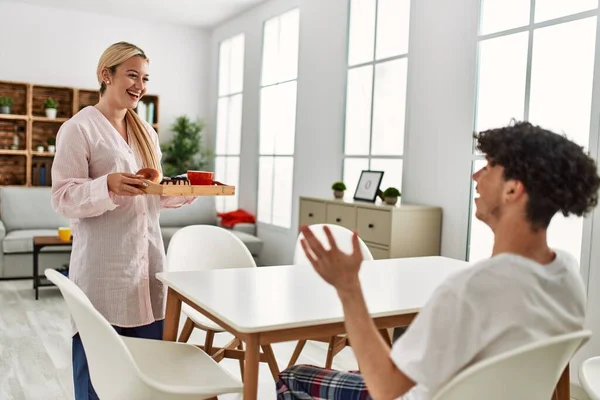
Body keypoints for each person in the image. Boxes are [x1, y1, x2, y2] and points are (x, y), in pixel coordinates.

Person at [277, 121, 600, 400]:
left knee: (293, 377)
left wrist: (348, 287)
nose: (476, 175)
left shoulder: (472, 289)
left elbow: (386, 387)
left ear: (513, 190)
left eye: (488, 166)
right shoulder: (568, 274)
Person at [51, 41, 195, 400]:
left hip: (147, 269)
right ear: (106, 75)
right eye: (132, 75)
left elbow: (150, 201)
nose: (140, 85)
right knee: (98, 374)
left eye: (145, 78)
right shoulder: (78, 128)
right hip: (104, 272)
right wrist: (108, 186)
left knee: (146, 377)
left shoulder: (146, 132)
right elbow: (63, 198)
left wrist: (182, 189)